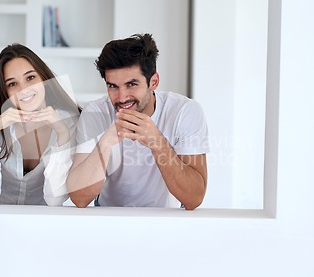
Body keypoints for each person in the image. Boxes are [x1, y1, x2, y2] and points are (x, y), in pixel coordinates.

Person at [67, 34, 208, 210]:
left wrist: (158, 143)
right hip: (107, 218)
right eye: (113, 86)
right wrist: (106, 142)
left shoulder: (184, 111)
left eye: (131, 84)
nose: (122, 97)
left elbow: (194, 198)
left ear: (154, 81)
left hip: (166, 221)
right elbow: (79, 198)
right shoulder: (95, 113)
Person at [0, 43, 80, 206]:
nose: (23, 89)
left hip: (42, 223)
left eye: (30, 78)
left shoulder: (69, 122)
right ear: (5, 90)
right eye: (12, 84)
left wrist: (62, 133)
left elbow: (55, 200)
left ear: (43, 78)